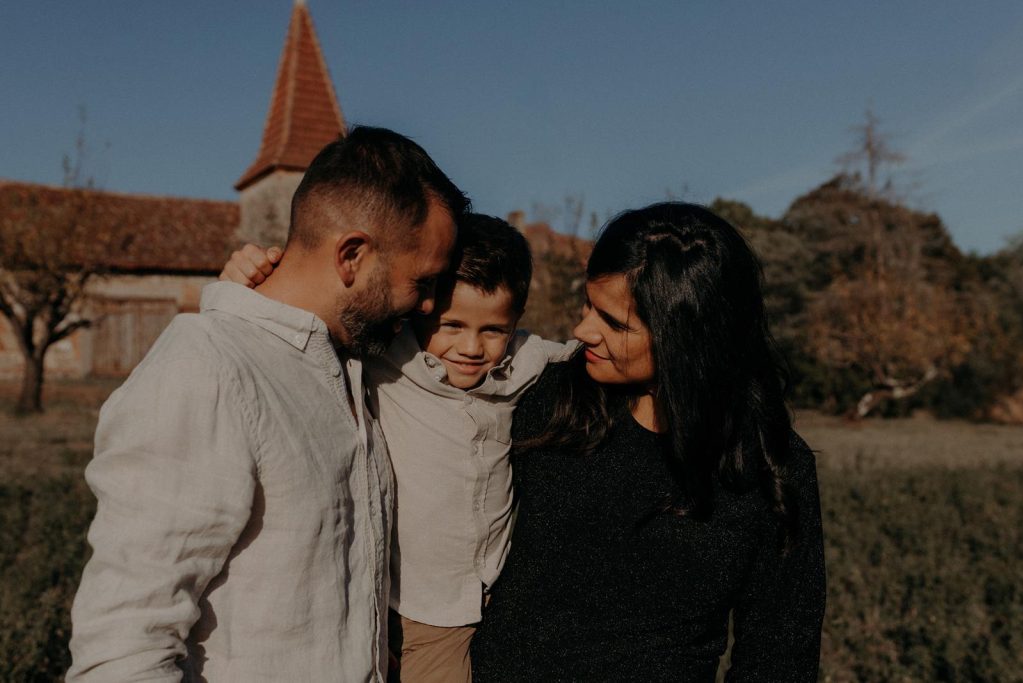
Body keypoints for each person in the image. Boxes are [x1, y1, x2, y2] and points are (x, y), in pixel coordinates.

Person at [67, 126, 467, 682]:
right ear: (351, 255)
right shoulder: (208, 365)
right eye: (421, 281)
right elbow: (125, 642)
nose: (427, 304)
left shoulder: (353, 364)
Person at [469, 202, 827, 682]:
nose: (582, 331)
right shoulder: (550, 400)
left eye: (614, 323)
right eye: (588, 304)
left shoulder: (768, 463)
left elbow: (779, 651)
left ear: (687, 336)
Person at [221, 213, 576, 683]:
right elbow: (303, 317)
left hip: (499, 591)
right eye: (452, 325)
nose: (471, 347)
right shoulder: (389, 355)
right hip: (423, 604)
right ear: (423, 307)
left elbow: (582, 354)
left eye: (493, 330)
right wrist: (243, 282)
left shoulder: (525, 361)